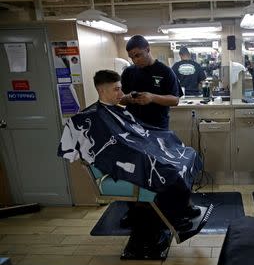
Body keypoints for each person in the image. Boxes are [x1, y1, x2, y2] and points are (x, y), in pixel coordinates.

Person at [58, 69, 201, 228]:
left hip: (136, 151)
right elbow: (110, 147)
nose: (121, 93)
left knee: (187, 153)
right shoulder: (90, 117)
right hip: (125, 159)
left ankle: (182, 205)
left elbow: (137, 133)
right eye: (116, 89)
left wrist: (160, 140)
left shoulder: (117, 110)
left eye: (121, 88)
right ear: (101, 90)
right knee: (170, 169)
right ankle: (174, 217)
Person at [120, 35, 182, 129]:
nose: (135, 60)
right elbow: (120, 99)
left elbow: (175, 100)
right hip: (133, 125)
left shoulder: (165, 71)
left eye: (137, 55)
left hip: (158, 126)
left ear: (148, 49)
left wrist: (152, 97)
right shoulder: (128, 72)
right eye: (131, 57)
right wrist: (128, 98)